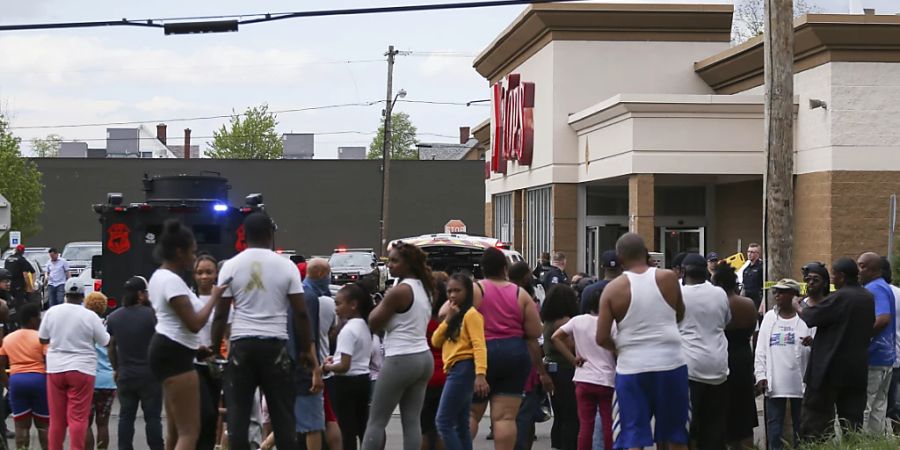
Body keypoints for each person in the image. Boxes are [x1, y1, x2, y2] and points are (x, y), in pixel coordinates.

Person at [211, 213, 319, 450]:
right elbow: (301, 313)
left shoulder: (230, 266)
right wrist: (306, 351)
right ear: (270, 234)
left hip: (241, 346)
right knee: (282, 418)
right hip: (275, 347)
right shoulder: (286, 266)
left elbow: (220, 314)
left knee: (238, 416)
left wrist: (214, 349)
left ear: (244, 236)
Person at [596, 233, 688, 450]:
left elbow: (601, 337)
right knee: (676, 435)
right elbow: (680, 314)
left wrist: (620, 347)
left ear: (619, 258)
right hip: (671, 364)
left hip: (632, 367)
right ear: (646, 253)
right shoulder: (668, 278)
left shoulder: (612, 289)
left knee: (632, 436)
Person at [147, 220, 226, 450]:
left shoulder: (159, 277)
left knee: (174, 430)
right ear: (179, 252)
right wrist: (215, 297)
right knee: (190, 431)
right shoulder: (172, 282)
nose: (194, 258)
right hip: (175, 355)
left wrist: (196, 349)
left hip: (171, 349)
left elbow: (174, 323)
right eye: (192, 252)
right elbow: (194, 324)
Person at [468, 247, 545, 450]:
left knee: (472, 413)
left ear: (482, 269)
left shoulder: (477, 290)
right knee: (505, 418)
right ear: (505, 268)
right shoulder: (520, 293)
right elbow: (535, 331)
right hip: (514, 353)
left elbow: (453, 317)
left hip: (482, 353)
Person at [363, 242, 435, 450]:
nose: (391, 265)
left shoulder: (399, 291)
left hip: (401, 358)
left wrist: (383, 303)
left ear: (409, 264)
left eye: (395, 261)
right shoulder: (425, 287)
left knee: (376, 420)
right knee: (412, 420)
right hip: (423, 356)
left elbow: (373, 321)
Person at [799, 257, 875, 441]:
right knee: (852, 424)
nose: (833, 279)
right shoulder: (867, 297)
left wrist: (798, 304)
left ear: (841, 276)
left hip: (828, 370)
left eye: (834, 275)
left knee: (815, 423)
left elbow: (811, 316)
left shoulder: (841, 297)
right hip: (856, 370)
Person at [38, 277, 109, 450]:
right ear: (83, 296)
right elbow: (105, 341)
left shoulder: (52, 312)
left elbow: (42, 338)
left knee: (57, 419)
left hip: (55, 369)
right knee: (78, 418)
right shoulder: (90, 316)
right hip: (82, 369)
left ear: (66, 295)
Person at [551, 282, 616, 450]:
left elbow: (555, 337)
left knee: (586, 425)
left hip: (583, 378)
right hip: (606, 379)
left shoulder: (577, 321)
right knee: (608, 423)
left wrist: (573, 359)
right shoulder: (612, 324)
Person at [678, 253, 731, 450]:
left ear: (683, 272)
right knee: (714, 427)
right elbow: (725, 321)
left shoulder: (679, 294)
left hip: (690, 369)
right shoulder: (719, 294)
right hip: (718, 369)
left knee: (688, 427)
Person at [106, 276, 164, 450]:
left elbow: (111, 346)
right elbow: (160, 342)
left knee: (126, 417)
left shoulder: (114, 317)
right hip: (150, 375)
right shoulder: (153, 315)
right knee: (153, 418)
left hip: (125, 374)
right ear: (140, 294)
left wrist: (116, 368)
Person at [432, 274, 487, 450]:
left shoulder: (472, 315)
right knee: (461, 424)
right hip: (454, 369)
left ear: (468, 291)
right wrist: (448, 319)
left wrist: (480, 374)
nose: (453, 295)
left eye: (457, 290)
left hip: (464, 368)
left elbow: (479, 345)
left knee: (443, 421)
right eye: (449, 291)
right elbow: (435, 341)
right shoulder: (453, 315)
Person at [755, 278, 810, 450]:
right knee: (774, 424)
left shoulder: (806, 317)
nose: (777, 295)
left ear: (794, 296)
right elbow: (761, 348)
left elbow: (818, 345)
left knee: (800, 424)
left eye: (782, 292)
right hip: (775, 382)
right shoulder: (770, 317)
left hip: (801, 382)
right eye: (775, 291)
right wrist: (761, 375)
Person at [712, 263, 759, 449]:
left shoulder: (719, 304)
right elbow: (752, 333)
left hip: (723, 358)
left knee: (723, 409)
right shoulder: (748, 304)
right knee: (744, 410)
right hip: (744, 358)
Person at [323, 283, 374, 450]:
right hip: (363, 379)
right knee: (362, 424)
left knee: (346, 429)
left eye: (338, 303)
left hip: (345, 383)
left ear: (353, 304)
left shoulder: (347, 330)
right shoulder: (365, 326)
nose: (336, 308)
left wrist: (327, 367)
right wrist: (335, 358)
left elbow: (344, 366)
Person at [294, 258, 336, 450]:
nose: (329, 279)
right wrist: (316, 370)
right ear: (320, 274)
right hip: (306, 369)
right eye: (328, 274)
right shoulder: (309, 297)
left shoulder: (299, 294)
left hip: (294, 366)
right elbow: (308, 336)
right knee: (313, 425)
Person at [0, 302, 49, 450]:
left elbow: (1, 365)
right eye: (38, 318)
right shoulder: (41, 338)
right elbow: (50, 361)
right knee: (43, 426)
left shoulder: (8, 339)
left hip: (16, 381)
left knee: (21, 426)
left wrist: (9, 385)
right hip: (39, 380)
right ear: (32, 320)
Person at [857, 252, 896, 434]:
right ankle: (874, 443)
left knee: (864, 406)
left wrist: (861, 338)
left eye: (861, 266)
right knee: (879, 406)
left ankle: (862, 444)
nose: (858, 270)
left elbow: (883, 318)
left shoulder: (875, 288)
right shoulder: (883, 286)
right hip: (885, 358)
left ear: (870, 269)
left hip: (873, 357)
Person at [192, 255, 227, 450]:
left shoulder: (224, 301)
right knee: (201, 412)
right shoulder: (189, 300)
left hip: (217, 365)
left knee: (213, 414)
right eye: (199, 272)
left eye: (209, 272)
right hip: (194, 364)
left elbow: (229, 332)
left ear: (216, 275)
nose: (204, 276)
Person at [541, 285, 579, 450]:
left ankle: (557, 444)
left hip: (551, 368)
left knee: (560, 414)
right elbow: (572, 346)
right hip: (565, 370)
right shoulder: (565, 322)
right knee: (571, 415)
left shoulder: (548, 322)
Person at [83, 292, 116, 450]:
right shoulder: (110, 326)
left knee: (85, 423)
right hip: (108, 381)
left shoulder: (83, 326)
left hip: (88, 379)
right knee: (103, 424)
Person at [421, 275, 448, 450]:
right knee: (441, 429)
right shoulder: (449, 321)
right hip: (446, 377)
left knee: (423, 428)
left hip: (425, 378)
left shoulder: (421, 321)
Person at [881, 257, 900, 430]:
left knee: (882, 404)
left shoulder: (876, 293)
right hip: (896, 357)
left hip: (884, 357)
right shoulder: (898, 293)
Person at [580, 251, 621, 315]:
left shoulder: (589, 291)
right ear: (622, 267)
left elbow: (583, 315)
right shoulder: (629, 289)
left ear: (602, 266)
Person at [4, 244, 35, 310]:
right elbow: (26, 275)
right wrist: (30, 287)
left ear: (15, 250)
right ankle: (19, 318)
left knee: (9, 303)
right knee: (19, 304)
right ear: (23, 251)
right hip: (18, 285)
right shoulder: (22, 260)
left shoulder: (8, 258)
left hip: (8, 285)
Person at [738, 244, 763, 311]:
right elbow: (743, 287)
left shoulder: (762, 267)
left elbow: (766, 287)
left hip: (758, 301)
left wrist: (763, 304)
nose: (749, 254)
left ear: (758, 254)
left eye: (752, 252)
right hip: (748, 302)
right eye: (748, 252)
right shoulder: (746, 269)